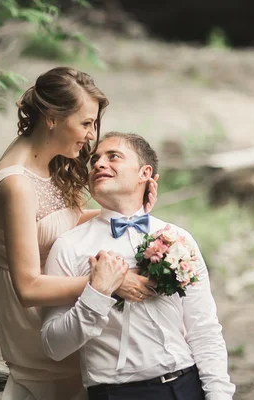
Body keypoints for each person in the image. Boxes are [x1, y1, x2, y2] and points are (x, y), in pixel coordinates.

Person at [0, 68, 159, 400]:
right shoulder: (17, 185)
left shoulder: (48, 157)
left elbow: (67, 220)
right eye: (85, 123)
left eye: (93, 123)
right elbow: (27, 288)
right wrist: (108, 283)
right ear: (51, 117)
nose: (91, 135)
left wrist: (131, 208)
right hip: (33, 319)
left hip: (64, 291)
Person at [41, 132, 236, 400]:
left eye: (113, 157)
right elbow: (53, 346)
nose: (98, 164)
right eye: (95, 159)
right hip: (120, 392)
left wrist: (219, 395)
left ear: (144, 173)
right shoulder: (69, 246)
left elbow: (204, 328)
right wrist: (97, 293)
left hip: (189, 385)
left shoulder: (177, 238)